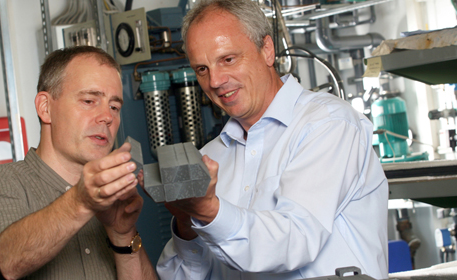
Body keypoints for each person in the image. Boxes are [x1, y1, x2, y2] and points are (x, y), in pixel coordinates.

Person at [155, 0, 389, 279]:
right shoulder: (211, 156)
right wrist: (185, 221)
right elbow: (182, 276)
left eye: (228, 59)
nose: (215, 81)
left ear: (266, 50)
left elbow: (294, 241)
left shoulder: (329, 126)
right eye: (202, 69)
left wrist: (209, 211)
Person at [0, 46, 157, 280]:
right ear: (45, 108)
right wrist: (81, 202)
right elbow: (8, 261)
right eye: (89, 101)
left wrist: (123, 235)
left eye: (114, 107)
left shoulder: (109, 204)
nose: (107, 117)